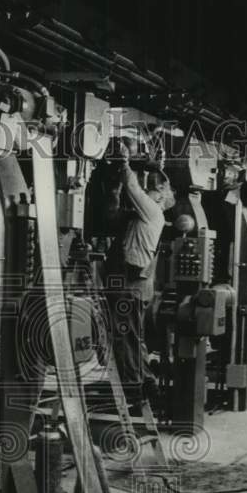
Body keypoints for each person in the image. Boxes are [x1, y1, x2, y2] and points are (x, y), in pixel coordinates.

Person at [102, 140, 175, 403]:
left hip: (130, 286)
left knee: (125, 337)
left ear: (158, 193)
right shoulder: (137, 217)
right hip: (130, 284)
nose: (146, 192)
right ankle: (146, 381)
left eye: (150, 189)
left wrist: (123, 164)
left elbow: (133, 189)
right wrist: (114, 186)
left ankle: (132, 389)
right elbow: (111, 216)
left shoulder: (152, 212)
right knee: (134, 337)